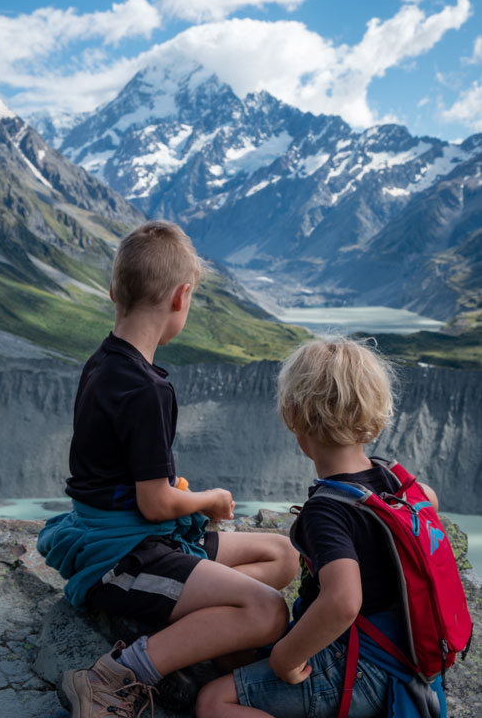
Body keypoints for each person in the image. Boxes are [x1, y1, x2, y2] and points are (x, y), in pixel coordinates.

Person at [37, 220, 298, 718]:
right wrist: (210, 500)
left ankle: (195, 636)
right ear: (182, 297)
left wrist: (173, 495)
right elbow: (154, 503)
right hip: (123, 557)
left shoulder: (103, 360)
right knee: (268, 610)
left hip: (132, 536)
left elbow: (129, 480)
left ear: (114, 290)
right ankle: (110, 676)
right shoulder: (148, 390)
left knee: (282, 555)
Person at [197, 337, 446, 718]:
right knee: (234, 656)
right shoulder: (394, 481)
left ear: (292, 414)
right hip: (408, 657)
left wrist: (284, 659)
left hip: (358, 667)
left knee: (214, 701)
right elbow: (429, 500)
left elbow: (344, 601)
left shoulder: (327, 512)